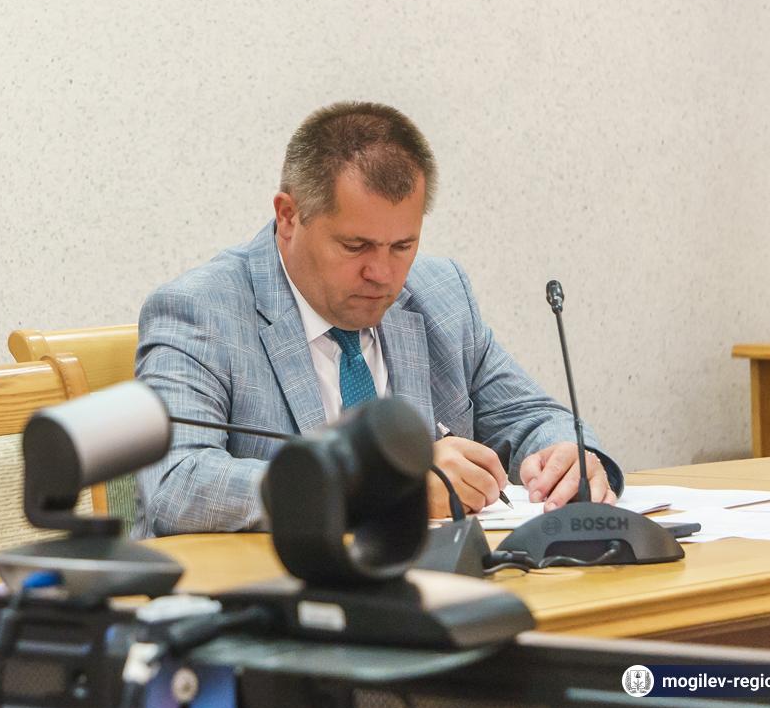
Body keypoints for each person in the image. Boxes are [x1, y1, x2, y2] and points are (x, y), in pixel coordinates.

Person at [132, 101, 621, 538]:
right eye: (355, 246)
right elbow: (177, 482)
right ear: (288, 216)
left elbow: (531, 418)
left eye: (402, 246)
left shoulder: (440, 295)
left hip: (429, 583)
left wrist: (568, 458)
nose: (382, 273)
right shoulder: (201, 311)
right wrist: (377, 487)